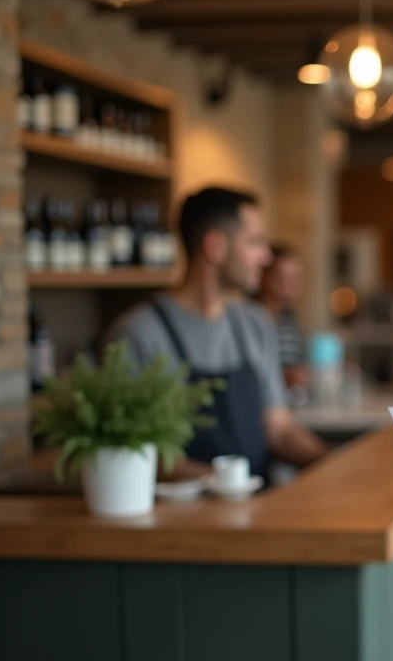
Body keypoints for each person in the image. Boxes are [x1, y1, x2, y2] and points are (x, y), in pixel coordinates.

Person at [111, 187, 328, 481]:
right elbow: (139, 456)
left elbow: (278, 431)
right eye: (254, 242)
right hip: (183, 521)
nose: (265, 257)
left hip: (260, 511)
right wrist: (225, 484)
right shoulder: (138, 335)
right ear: (215, 246)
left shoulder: (255, 324)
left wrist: (333, 462)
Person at [256, 243, 309, 392]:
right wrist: (284, 376)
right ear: (265, 276)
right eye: (284, 276)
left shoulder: (291, 320)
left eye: (296, 277)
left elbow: (301, 362)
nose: (292, 283)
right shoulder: (248, 319)